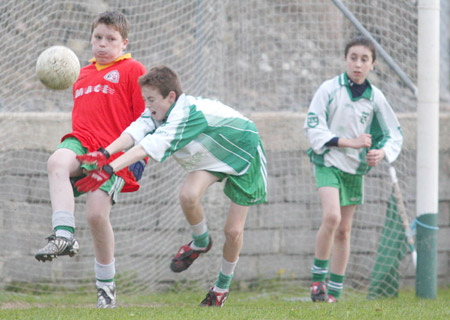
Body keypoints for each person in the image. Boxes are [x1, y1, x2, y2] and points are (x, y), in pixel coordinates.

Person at [75, 65, 268, 307]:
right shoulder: (159, 112)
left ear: (171, 97)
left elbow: (148, 146)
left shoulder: (186, 116)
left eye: (151, 99)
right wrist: (104, 153)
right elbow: (136, 131)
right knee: (188, 196)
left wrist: (109, 168)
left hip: (244, 152)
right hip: (212, 153)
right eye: (145, 99)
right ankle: (200, 242)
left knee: (233, 232)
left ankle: (220, 289)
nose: (147, 105)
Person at [34, 11, 147, 309]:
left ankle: (106, 287)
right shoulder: (79, 72)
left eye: (111, 39)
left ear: (124, 43)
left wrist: (137, 159)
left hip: (112, 152)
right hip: (81, 141)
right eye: (98, 37)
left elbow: (145, 119)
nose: (102, 44)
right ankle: (63, 235)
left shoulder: (134, 69)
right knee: (56, 163)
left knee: (96, 216)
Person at [304, 36, 403, 303]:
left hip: (354, 169)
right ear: (345, 59)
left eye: (364, 59)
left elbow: (395, 134)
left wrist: (381, 153)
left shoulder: (376, 98)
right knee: (332, 218)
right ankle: (317, 283)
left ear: (372, 64)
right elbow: (313, 127)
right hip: (327, 161)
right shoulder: (328, 89)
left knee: (345, 230)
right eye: (353, 58)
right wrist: (349, 142)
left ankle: (334, 293)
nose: (357, 64)